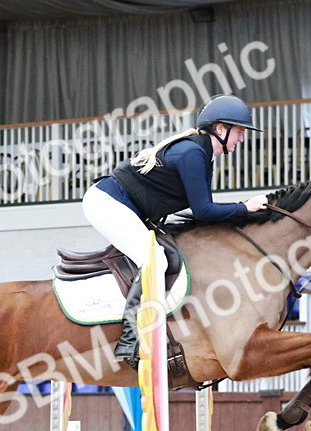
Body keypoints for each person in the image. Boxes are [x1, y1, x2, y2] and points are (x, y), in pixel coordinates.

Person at [82, 94, 268, 367]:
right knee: (154, 260)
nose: (242, 139)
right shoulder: (194, 153)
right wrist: (245, 207)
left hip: (128, 207)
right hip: (107, 202)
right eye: (239, 132)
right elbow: (203, 211)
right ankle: (129, 341)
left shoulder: (204, 153)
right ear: (220, 129)